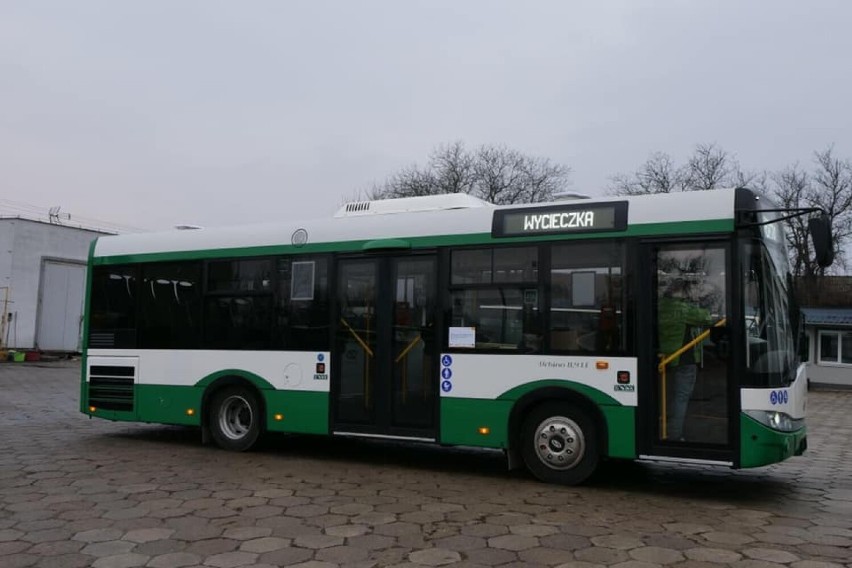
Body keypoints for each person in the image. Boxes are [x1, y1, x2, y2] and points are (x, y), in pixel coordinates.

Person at [657, 278, 711, 441]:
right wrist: (696, 301)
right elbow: (706, 317)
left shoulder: (660, 306)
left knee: (668, 396)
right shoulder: (684, 309)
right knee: (681, 397)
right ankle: (675, 434)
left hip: (665, 357)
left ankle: (666, 428)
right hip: (684, 359)